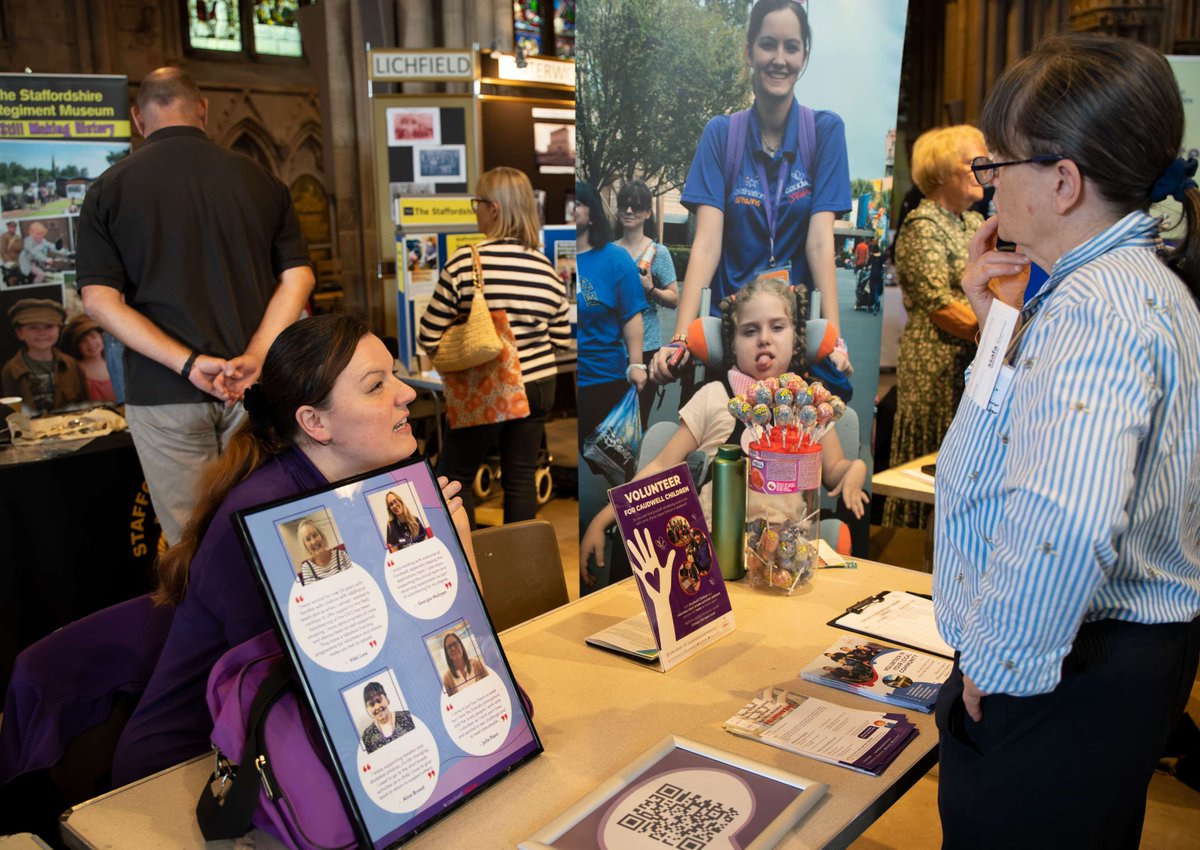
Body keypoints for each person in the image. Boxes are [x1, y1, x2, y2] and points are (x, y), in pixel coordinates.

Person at [933, 33, 1200, 848]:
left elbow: (1065, 521)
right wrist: (1001, 327)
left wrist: (997, 660)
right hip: (1106, 661)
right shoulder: (1128, 287)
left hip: (1068, 666)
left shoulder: (1096, 310)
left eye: (997, 166)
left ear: (1062, 180)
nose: (986, 188)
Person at [110, 314, 477, 785]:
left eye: (394, 375)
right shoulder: (268, 519)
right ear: (314, 422)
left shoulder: (361, 487)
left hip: (288, 744)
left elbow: (448, 642)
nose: (405, 393)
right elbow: (321, 689)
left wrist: (454, 542)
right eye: (376, 385)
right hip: (192, 771)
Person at [76, 67, 315, 546]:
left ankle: (212, 621)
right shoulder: (262, 181)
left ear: (137, 119)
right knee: (274, 530)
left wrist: (188, 364)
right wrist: (255, 356)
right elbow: (298, 277)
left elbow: (99, 300)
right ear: (203, 109)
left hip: (164, 391)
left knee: (192, 543)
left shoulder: (108, 189)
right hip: (255, 386)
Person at [581, 276, 868, 588]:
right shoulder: (714, 396)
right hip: (706, 558)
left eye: (777, 327)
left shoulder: (810, 406)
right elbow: (661, 467)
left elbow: (836, 470)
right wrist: (606, 517)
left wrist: (856, 470)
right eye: (750, 331)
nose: (764, 339)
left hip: (782, 560)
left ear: (796, 339)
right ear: (732, 344)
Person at [652, 0, 852, 385]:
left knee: (794, 441)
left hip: (791, 339)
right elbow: (707, 244)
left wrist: (835, 340)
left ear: (803, 55)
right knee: (713, 438)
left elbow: (819, 242)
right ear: (749, 51)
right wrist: (680, 337)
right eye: (767, 44)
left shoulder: (825, 132)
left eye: (791, 47)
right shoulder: (722, 135)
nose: (779, 59)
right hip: (733, 335)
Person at [418, 167, 571, 526]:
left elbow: (428, 333)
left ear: (495, 209)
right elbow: (562, 338)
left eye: (478, 203)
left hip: (487, 385)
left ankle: (472, 566)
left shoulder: (465, 263)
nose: (475, 210)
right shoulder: (544, 267)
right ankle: (521, 572)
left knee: (455, 477)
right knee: (520, 478)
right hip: (538, 385)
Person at [883, 125, 987, 529]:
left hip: (973, 361)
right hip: (935, 367)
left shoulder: (975, 221)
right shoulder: (922, 225)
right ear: (942, 171)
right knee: (927, 458)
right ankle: (914, 551)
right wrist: (1000, 336)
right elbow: (940, 306)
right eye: (973, 162)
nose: (983, 170)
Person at [575, 181, 646, 446]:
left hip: (603, 379)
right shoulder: (550, 256)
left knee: (612, 462)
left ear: (592, 213)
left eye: (577, 203)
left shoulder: (615, 258)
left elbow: (631, 315)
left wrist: (636, 364)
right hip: (560, 376)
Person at [614, 180, 679, 426]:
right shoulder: (609, 251)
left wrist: (650, 289)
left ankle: (636, 465)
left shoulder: (657, 252)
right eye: (624, 205)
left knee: (636, 422)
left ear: (647, 213)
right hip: (611, 347)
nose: (629, 211)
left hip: (647, 347)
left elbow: (674, 299)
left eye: (636, 207)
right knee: (608, 423)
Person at [1, 298, 88, 412]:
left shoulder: (71, 365)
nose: (42, 332)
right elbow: (10, 413)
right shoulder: (11, 370)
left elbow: (85, 405)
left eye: (49, 326)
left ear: (59, 330)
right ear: (20, 333)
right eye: (33, 327)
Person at [60, 314, 115, 403]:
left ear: (102, 337)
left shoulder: (114, 364)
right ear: (76, 346)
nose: (91, 344)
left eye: (93, 336)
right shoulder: (74, 370)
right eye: (83, 341)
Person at [359, 681, 414, 753]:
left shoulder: (408, 717)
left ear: (387, 699)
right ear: (368, 708)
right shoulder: (367, 737)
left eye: (379, 700)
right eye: (372, 704)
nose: (377, 707)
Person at [294, 518, 351, 584]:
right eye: (308, 539)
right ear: (305, 546)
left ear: (321, 535)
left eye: (315, 535)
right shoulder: (307, 568)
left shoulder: (342, 555)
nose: (314, 541)